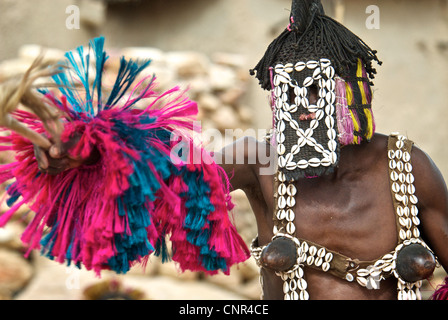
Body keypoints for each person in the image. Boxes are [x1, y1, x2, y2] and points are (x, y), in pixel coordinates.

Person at [28, 1, 448, 300]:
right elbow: (166, 171)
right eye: (287, 92)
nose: (301, 107)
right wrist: (93, 147)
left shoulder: (407, 169)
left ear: (351, 91)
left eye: (315, 90)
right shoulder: (260, 161)